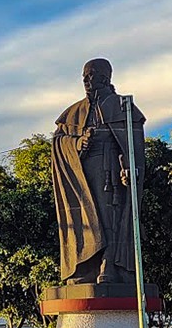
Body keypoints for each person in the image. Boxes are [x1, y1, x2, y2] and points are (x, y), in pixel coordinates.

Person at [50, 58, 148, 285]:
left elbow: (132, 146)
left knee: (109, 217)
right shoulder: (73, 113)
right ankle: (86, 264)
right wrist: (76, 143)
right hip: (80, 174)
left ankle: (110, 264)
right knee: (85, 217)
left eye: (91, 74)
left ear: (105, 77)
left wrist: (128, 168)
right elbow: (58, 141)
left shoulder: (123, 107)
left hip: (109, 169)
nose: (86, 79)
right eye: (84, 75)